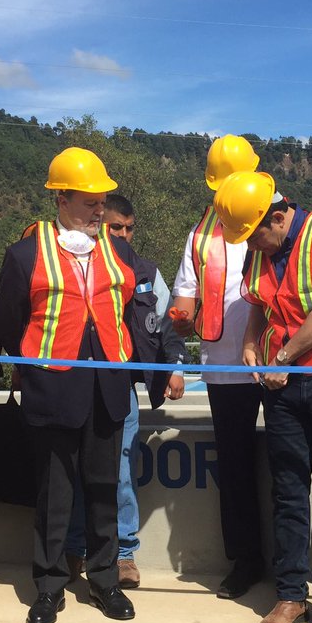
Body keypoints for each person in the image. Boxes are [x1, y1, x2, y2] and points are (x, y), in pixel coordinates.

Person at [0, 147, 171, 623]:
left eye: (102, 201)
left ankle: (105, 579)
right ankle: (49, 585)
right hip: (53, 390)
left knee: (103, 489)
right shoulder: (25, 253)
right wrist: (37, 365)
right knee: (54, 494)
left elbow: (139, 303)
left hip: (109, 387)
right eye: (90, 201)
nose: (100, 210)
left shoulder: (118, 250)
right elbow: (11, 323)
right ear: (61, 199)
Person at [214, 170, 312, 623]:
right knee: (288, 490)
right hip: (281, 388)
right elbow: (259, 302)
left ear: (277, 216)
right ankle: (288, 594)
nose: (253, 246)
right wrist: (248, 344)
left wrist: (281, 358)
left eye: (257, 236)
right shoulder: (257, 244)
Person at [62, 193, 186, 590]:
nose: (123, 235)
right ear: (101, 225)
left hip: (121, 390)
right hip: (75, 383)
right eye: (116, 227)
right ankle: (75, 548)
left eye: (130, 229)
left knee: (120, 474)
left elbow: (168, 325)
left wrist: (175, 368)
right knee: (73, 471)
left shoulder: (146, 271)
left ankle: (125, 554)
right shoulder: (80, 268)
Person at [170, 135, 267, 599]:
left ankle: (294, 567)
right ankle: (245, 560)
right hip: (224, 367)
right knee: (234, 467)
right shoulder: (199, 234)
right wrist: (181, 314)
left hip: (279, 360)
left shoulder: (278, 218)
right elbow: (185, 296)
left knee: (289, 464)